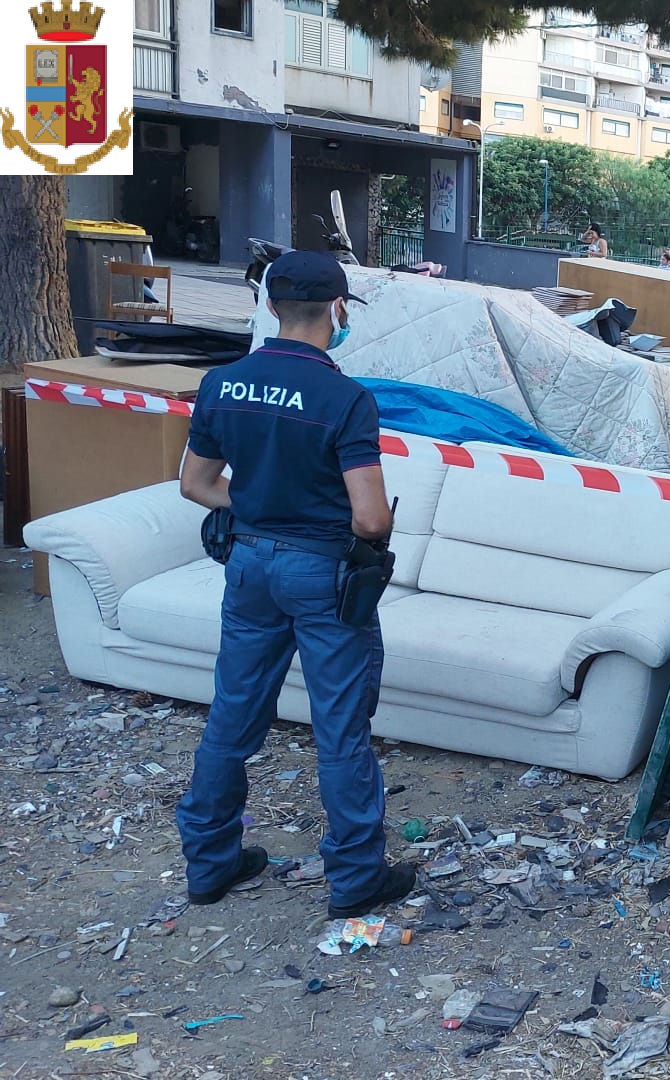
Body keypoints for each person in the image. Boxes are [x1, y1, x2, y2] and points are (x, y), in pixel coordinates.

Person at [175, 251, 416, 918]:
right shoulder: (345, 398)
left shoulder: (224, 383)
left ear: (272, 308)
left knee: (232, 715)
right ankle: (356, 877)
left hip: (250, 565)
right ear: (338, 310)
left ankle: (211, 864)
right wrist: (381, 519)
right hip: (323, 573)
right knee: (340, 729)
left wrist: (254, 509)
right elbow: (368, 517)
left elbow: (196, 485)